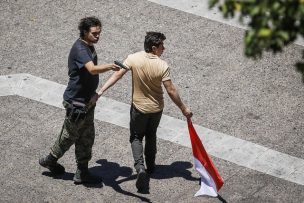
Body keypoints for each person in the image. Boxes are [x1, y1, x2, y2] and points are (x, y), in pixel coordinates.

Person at [96, 32, 193, 191]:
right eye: (162, 46)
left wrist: (101, 91)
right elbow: (170, 90)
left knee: (136, 137)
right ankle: (151, 166)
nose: (164, 48)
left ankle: (140, 168)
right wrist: (183, 108)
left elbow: (118, 75)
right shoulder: (162, 65)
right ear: (154, 48)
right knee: (151, 134)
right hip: (156, 109)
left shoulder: (133, 58)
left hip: (138, 108)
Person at [39, 16, 120, 184]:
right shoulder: (80, 49)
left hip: (87, 101)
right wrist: (110, 66)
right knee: (70, 135)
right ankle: (50, 159)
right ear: (84, 32)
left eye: (99, 33)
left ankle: (82, 172)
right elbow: (92, 69)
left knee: (87, 136)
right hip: (76, 102)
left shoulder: (88, 46)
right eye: (94, 33)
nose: (98, 36)